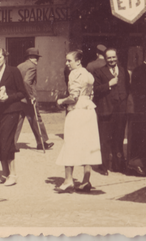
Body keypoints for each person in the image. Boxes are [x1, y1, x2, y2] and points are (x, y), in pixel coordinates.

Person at [56, 50, 101, 192]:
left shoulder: (74, 74)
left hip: (76, 111)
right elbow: (91, 94)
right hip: (89, 111)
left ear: (78, 61)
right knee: (88, 143)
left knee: (70, 143)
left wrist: (61, 101)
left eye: (69, 60)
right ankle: (86, 181)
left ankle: (68, 180)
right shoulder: (88, 74)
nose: (67, 63)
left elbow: (74, 97)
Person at [0, 47, 27, 187]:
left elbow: (22, 93)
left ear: (5, 57)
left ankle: (13, 175)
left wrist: (8, 98)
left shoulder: (13, 71)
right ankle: (4, 174)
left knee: (7, 141)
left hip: (11, 110)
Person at [92, 48, 130, 175]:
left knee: (119, 138)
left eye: (114, 57)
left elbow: (127, 88)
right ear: (105, 58)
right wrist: (109, 84)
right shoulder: (98, 72)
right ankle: (103, 166)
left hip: (120, 111)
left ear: (117, 57)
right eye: (109, 58)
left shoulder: (124, 70)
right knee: (105, 139)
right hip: (106, 110)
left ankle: (118, 165)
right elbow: (95, 90)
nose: (112, 60)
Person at [15, 47, 54, 151]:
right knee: (36, 119)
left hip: (19, 98)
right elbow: (26, 82)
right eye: (35, 57)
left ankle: (11, 143)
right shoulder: (32, 66)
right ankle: (42, 143)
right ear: (31, 58)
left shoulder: (20, 66)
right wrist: (31, 96)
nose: (37, 59)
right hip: (28, 99)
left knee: (18, 120)